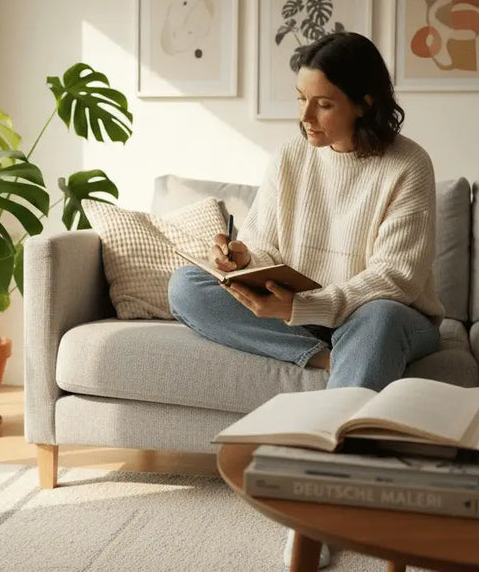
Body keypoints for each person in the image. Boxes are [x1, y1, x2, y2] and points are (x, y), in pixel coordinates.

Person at [167, 31, 445, 568]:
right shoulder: (292, 156)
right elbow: (267, 241)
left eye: (323, 103)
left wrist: (305, 310)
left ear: (365, 102)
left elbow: (398, 277)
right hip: (308, 317)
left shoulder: (409, 164)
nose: (306, 117)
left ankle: (316, 500)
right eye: (301, 100)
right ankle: (335, 361)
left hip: (386, 315)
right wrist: (242, 259)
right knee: (187, 285)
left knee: (379, 317)